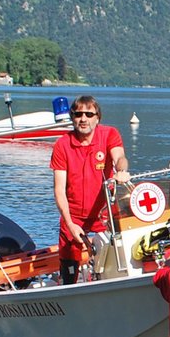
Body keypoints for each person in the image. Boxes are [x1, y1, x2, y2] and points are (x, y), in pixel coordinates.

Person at [49, 94, 130, 284]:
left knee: (117, 255)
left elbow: (119, 157)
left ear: (97, 118)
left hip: (105, 212)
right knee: (69, 262)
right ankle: (68, 290)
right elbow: (59, 190)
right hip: (74, 214)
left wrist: (122, 171)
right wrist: (70, 224)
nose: (83, 119)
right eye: (78, 114)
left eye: (88, 114)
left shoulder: (109, 134)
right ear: (72, 118)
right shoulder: (62, 145)